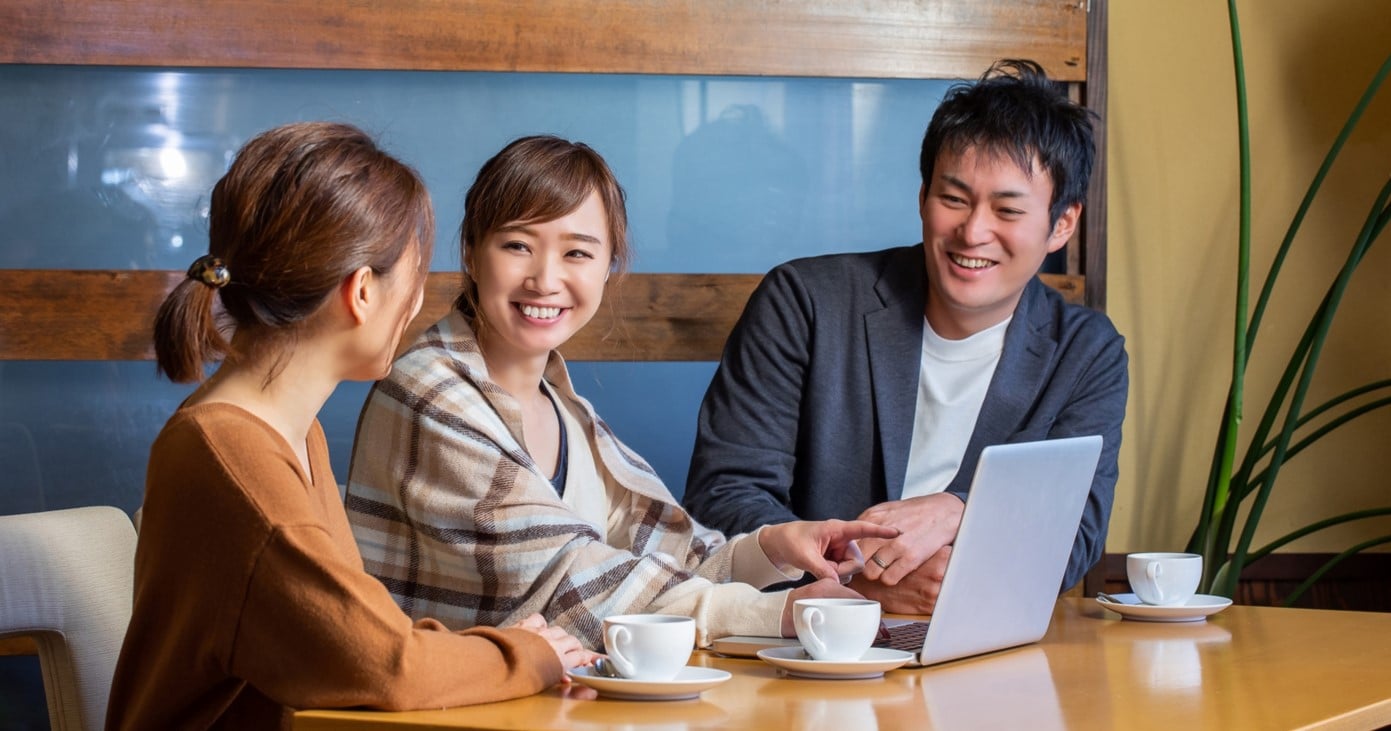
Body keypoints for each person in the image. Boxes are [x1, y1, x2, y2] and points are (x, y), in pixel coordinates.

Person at [107, 122, 595, 731]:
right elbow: (383, 665)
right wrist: (528, 655)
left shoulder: (287, 431)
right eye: (414, 278)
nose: (415, 305)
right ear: (363, 291)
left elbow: (363, 632)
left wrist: (498, 651)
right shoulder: (231, 454)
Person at [345, 135, 897, 650]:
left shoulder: (565, 411)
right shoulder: (429, 392)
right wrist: (775, 613)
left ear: (609, 266)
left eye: (577, 253)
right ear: (470, 252)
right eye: (517, 245)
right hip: (441, 705)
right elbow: (569, 580)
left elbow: (662, 553)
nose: (545, 279)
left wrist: (772, 547)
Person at [681, 59, 1129, 614]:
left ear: (1062, 224)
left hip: (979, 643)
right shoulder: (805, 303)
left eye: (1008, 209)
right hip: (800, 641)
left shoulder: (1086, 354)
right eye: (954, 199)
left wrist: (960, 509)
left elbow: (1074, 533)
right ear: (923, 197)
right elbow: (722, 498)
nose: (973, 231)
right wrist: (857, 590)